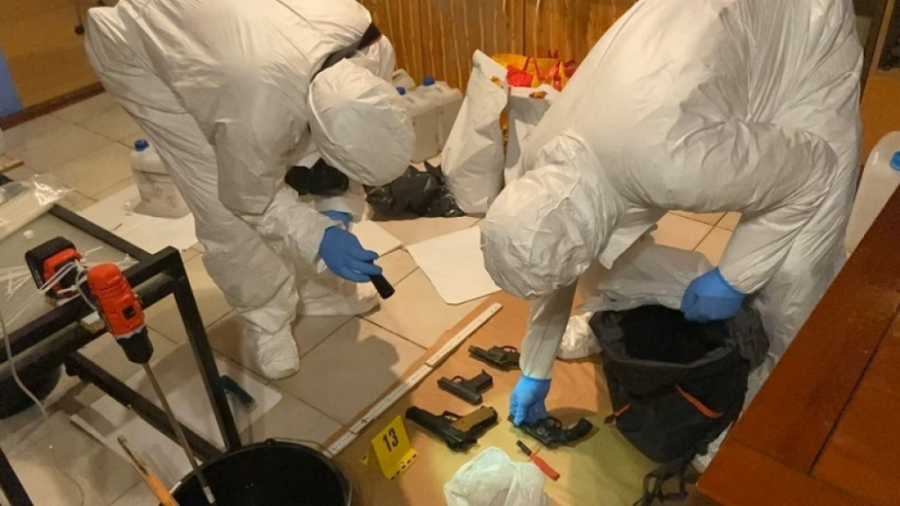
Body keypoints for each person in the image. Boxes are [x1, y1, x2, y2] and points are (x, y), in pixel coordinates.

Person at [481, 0, 862, 428]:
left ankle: (757, 420)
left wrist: (735, 278)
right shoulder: (542, 159)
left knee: (794, 275)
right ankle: (615, 315)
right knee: (600, 256)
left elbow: (812, 169)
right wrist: (535, 367)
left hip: (805, 36)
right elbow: (553, 251)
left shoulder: (672, 165)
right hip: (708, 54)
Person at [84, 0, 414, 379]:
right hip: (140, 49)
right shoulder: (256, 114)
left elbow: (341, 144)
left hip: (238, 46)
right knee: (222, 204)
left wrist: (338, 203)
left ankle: (315, 287)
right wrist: (319, 237)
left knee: (300, 166)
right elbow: (250, 200)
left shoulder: (371, 47)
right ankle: (266, 322)